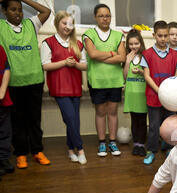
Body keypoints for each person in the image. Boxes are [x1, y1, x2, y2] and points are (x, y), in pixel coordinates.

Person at [0, 0, 51, 169]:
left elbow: (46, 11)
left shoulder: (31, 24)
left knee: (34, 119)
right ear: (4, 11)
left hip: (34, 80)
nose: (18, 13)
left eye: (20, 10)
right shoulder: (1, 27)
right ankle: (21, 154)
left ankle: (37, 151)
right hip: (13, 83)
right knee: (17, 121)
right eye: (13, 9)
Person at [41, 11, 87, 165]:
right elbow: (45, 65)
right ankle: (80, 149)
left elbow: (85, 66)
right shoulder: (48, 42)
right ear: (57, 23)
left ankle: (70, 149)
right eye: (64, 23)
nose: (68, 27)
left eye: (70, 24)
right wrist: (64, 63)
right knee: (71, 118)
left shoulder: (78, 43)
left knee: (73, 121)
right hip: (59, 88)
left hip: (75, 87)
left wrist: (75, 64)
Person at [83, 4, 126, 157]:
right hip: (97, 81)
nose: (105, 18)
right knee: (101, 112)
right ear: (95, 17)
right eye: (101, 16)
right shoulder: (89, 34)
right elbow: (92, 54)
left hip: (115, 80)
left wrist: (102, 58)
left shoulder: (118, 35)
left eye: (107, 15)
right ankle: (102, 142)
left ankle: (112, 142)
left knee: (113, 112)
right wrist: (110, 53)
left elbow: (122, 57)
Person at [141, 20, 177, 165]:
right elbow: (147, 76)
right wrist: (160, 91)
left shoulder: (174, 55)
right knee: (154, 125)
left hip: (170, 98)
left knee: (170, 125)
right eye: (160, 36)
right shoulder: (147, 54)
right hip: (154, 96)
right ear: (154, 35)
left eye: (166, 36)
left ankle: (169, 149)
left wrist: (169, 92)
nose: (163, 39)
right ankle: (151, 151)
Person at [123, 29, 147, 157]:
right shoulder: (127, 57)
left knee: (142, 121)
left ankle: (142, 145)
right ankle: (136, 144)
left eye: (136, 43)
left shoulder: (145, 57)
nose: (134, 46)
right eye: (131, 44)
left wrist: (141, 72)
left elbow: (149, 75)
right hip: (131, 94)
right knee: (134, 120)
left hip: (142, 94)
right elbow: (125, 76)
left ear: (141, 43)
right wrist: (127, 61)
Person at [0, 43, 13, 179]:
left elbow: (6, 69)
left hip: (2, 99)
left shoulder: (0, 49)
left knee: (4, 130)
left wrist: (2, 90)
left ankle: (3, 158)